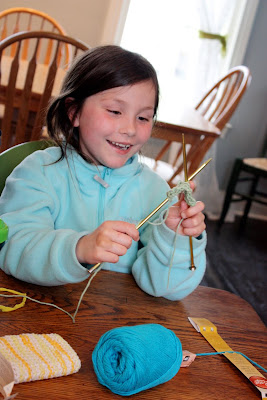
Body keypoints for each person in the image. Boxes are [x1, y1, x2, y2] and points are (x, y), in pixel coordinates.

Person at [0, 45, 206, 300]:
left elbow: (167, 289)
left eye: (143, 118)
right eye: (115, 111)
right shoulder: (37, 172)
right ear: (73, 112)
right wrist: (79, 248)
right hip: (41, 312)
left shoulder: (156, 191)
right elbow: (13, 251)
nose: (130, 129)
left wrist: (176, 238)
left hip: (118, 321)